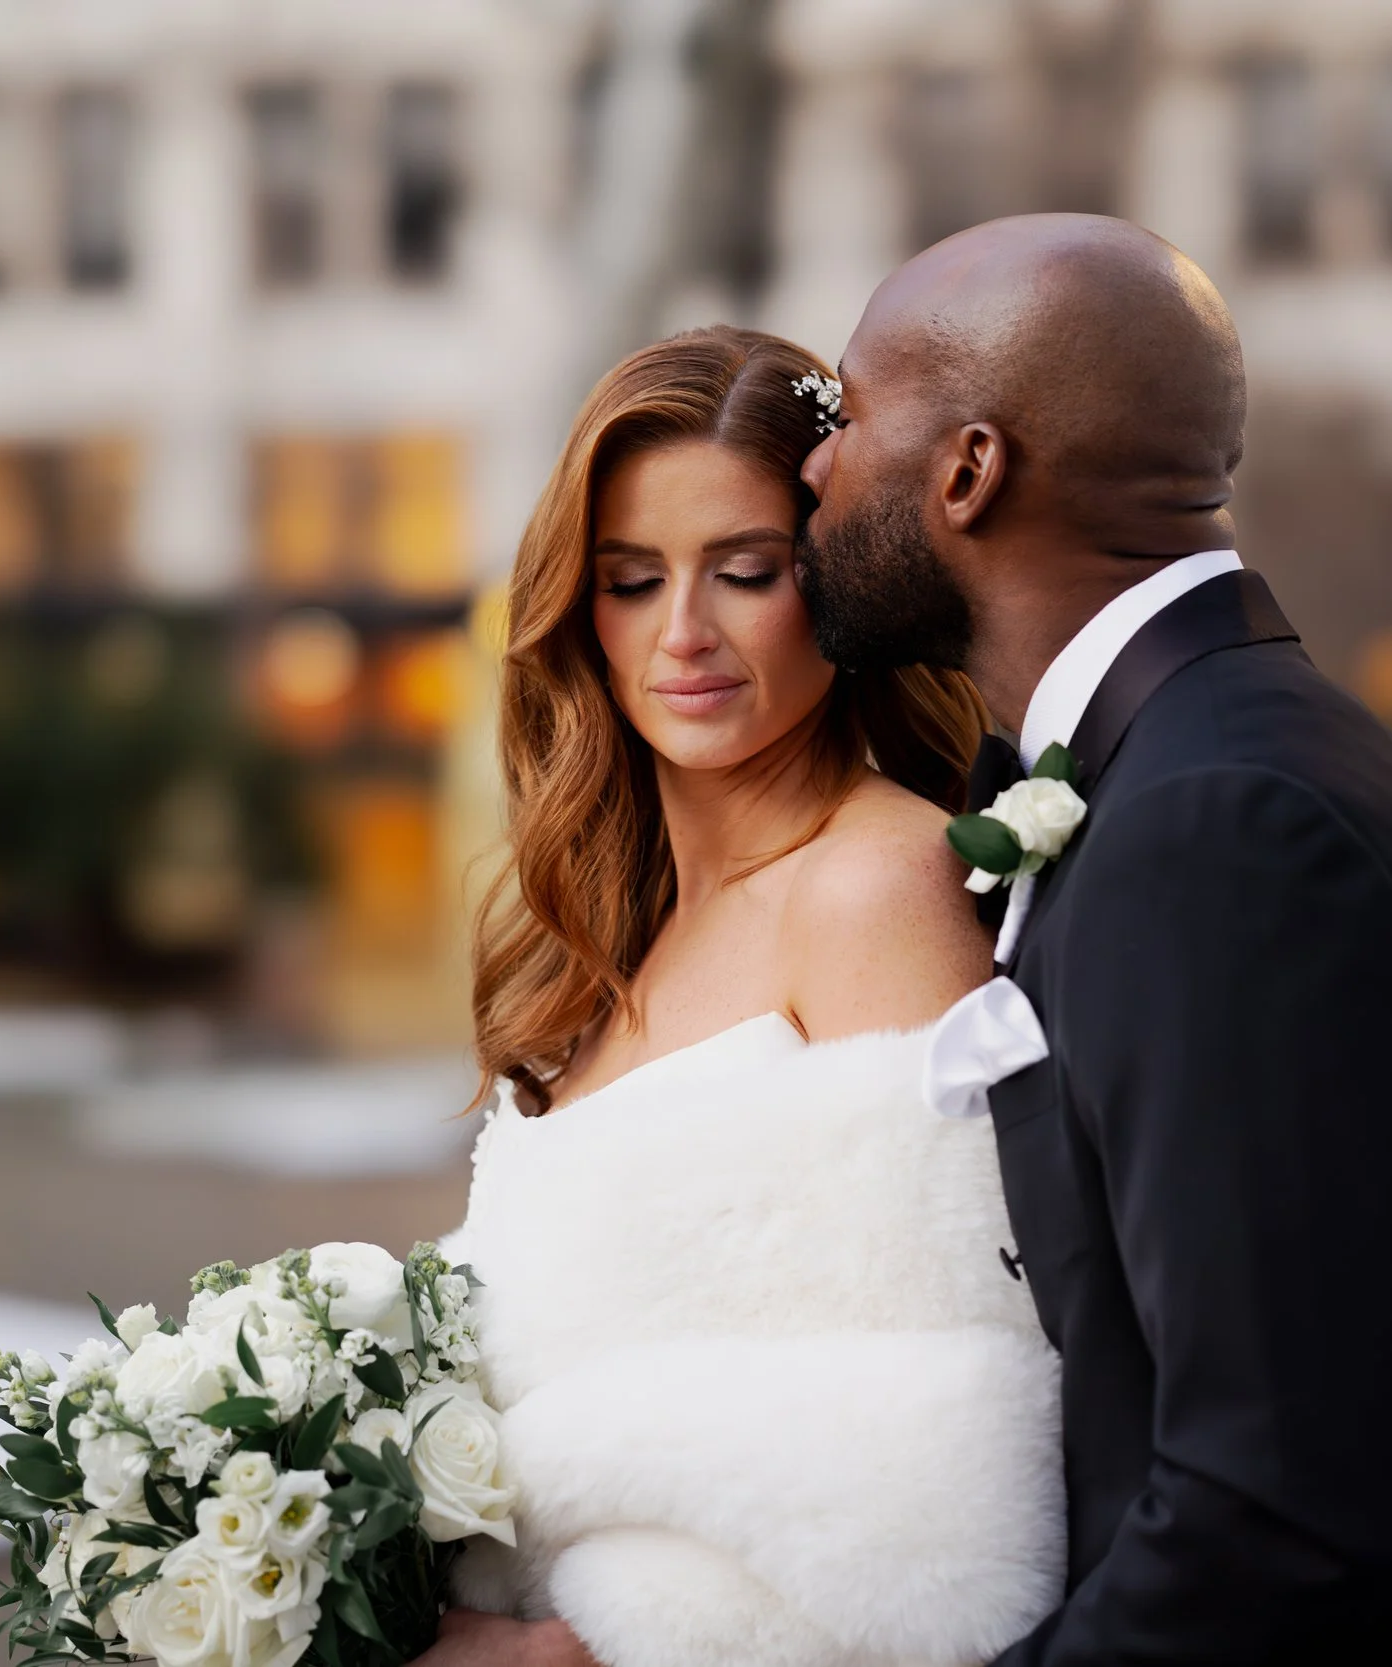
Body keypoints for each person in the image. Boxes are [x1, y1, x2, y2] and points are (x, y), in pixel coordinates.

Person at [797, 214, 1392, 1665]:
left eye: (851, 412)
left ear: (968, 470)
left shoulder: (1225, 836)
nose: (816, 468)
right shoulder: (1208, 766)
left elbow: (1282, 1513)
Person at [415, 327, 1065, 1667]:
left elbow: (951, 1471)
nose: (685, 634)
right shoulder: (601, 923)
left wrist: (579, 1650)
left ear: (830, 584)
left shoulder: (874, 889)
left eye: (747, 572)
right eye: (633, 580)